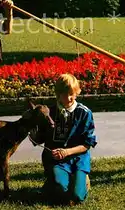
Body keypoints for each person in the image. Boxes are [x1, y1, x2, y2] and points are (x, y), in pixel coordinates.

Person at [33, 73, 97, 206]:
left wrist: (67, 152)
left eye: (71, 94)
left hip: (79, 158)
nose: (68, 98)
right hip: (58, 160)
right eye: (64, 94)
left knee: (77, 197)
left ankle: (82, 180)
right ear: (58, 94)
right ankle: (55, 181)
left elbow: (87, 144)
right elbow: (38, 139)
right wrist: (31, 128)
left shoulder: (84, 113)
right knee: (61, 190)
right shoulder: (49, 112)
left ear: (77, 93)